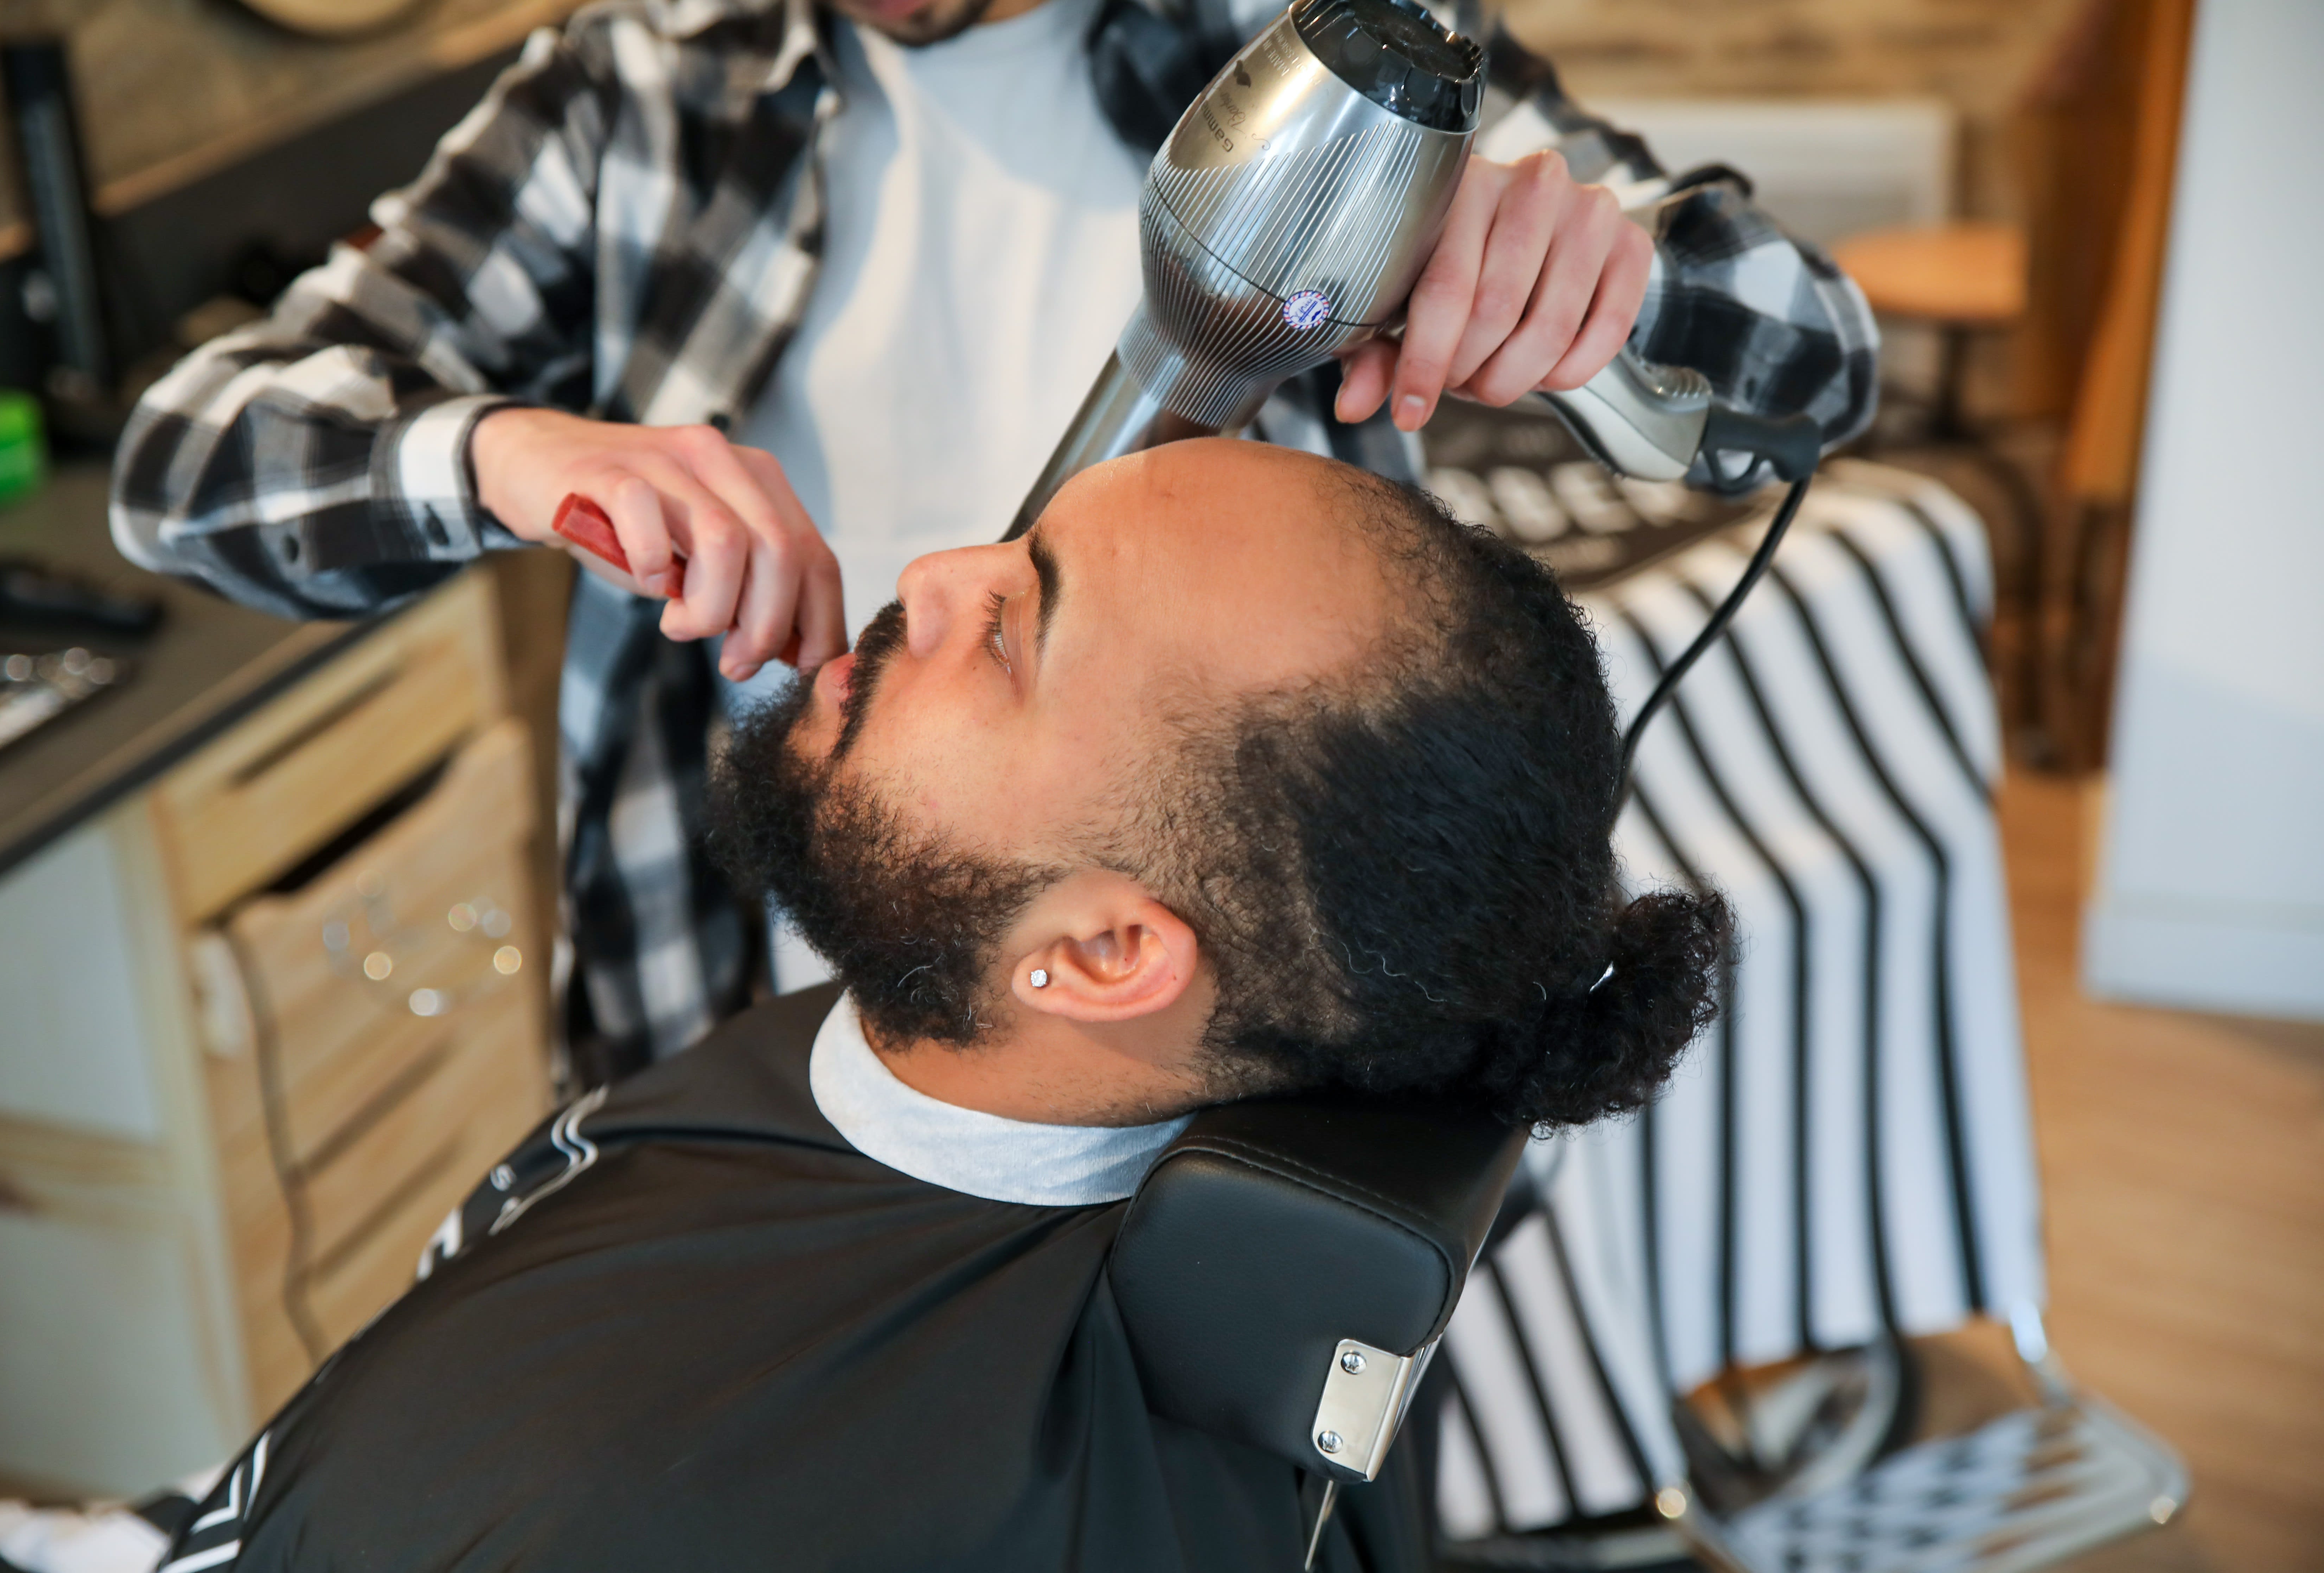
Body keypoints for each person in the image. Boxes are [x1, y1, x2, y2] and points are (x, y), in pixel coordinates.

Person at [109, 0, 1874, 1086]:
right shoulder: (636, 92)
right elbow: (181, 469)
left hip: (1189, 1039)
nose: (935, 580)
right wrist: (504, 450)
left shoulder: (1315, 73)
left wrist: (1618, 280)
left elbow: (1818, 368)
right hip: (735, 990)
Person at [146, 439, 1728, 1572]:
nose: (934, 575)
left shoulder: (632, 1499)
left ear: (1106, 955)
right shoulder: (965, 1074)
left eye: (1021, 624)